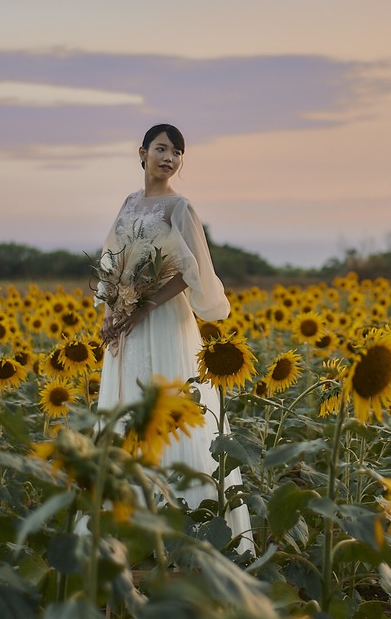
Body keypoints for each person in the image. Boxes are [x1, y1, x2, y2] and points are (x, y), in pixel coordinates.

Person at [94, 123, 251, 548]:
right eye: (162, 149)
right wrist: (111, 309)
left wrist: (144, 304)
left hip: (164, 321)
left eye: (177, 153)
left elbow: (190, 271)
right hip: (126, 320)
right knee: (128, 408)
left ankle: (185, 524)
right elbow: (112, 261)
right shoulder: (129, 203)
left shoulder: (179, 207)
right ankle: (128, 524)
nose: (169, 158)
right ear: (141, 152)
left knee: (172, 406)